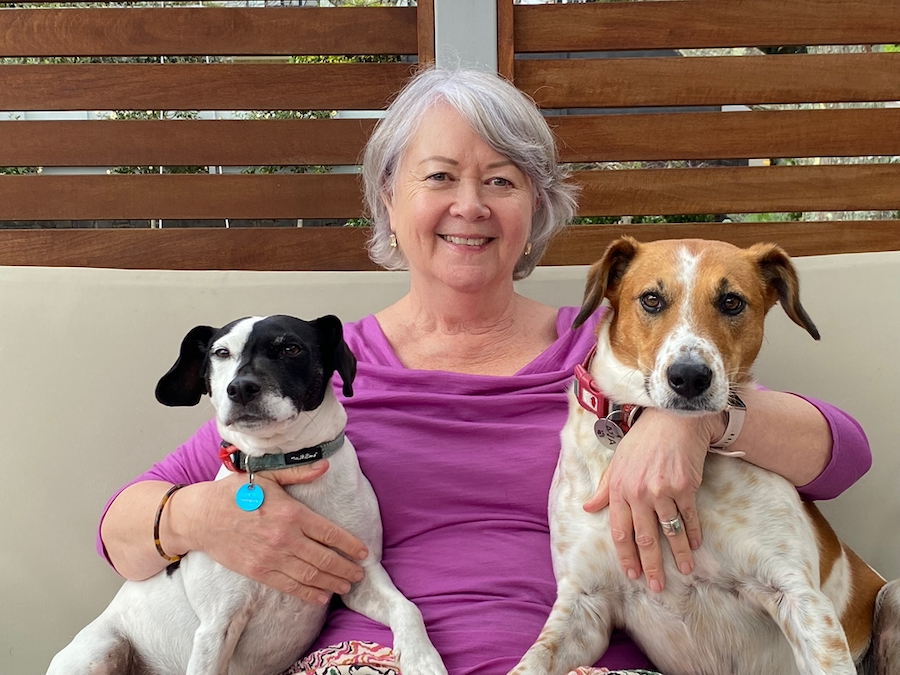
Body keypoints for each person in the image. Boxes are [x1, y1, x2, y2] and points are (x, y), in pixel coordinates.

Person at [96, 68, 871, 675]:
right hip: (375, 658)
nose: (470, 204)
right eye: (439, 177)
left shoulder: (618, 351)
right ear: (387, 199)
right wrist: (198, 517)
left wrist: (696, 419)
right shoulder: (317, 369)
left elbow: (842, 454)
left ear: (535, 209)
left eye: (500, 180)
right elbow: (122, 533)